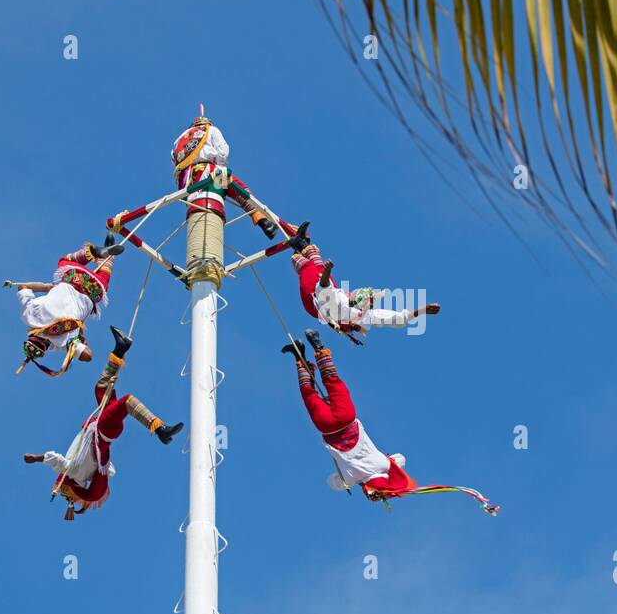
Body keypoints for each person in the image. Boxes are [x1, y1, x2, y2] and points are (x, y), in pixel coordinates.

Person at [24, 327, 183, 519]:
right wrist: (36, 458)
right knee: (127, 401)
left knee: (101, 388)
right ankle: (160, 429)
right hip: (102, 429)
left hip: (102, 426)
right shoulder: (73, 471)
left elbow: (109, 471)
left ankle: (120, 349)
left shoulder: (89, 474)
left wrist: (77, 494)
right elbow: (56, 460)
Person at [285, 329, 417, 501]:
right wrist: (355, 484)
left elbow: (401, 458)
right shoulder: (350, 478)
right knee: (309, 395)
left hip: (347, 418)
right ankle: (299, 356)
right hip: (327, 427)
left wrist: (392, 478)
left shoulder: (384, 464)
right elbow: (332, 482)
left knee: (333, 381)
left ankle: (318, 346)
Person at [286, 223, 440, 340]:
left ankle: (301, 245)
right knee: (314, 262)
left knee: (309, 265)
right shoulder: (365, 316)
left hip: (316, 296)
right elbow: (399, 319)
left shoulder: (345, 307)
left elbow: (324, 288)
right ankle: (301, 245)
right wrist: (423, 310)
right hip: (320, 297)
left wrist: (327, 270)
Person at [5, 236, 125, 377]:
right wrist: (48, 287)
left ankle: (108, 257)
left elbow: (88, 356)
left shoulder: (64, 341)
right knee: (64, 261)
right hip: (73, 276)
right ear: (31, 335)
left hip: (95, 290)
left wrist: (75, 346)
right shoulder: (29, 316)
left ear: (46, 348)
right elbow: (22, 287)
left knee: (103, 277)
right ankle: (94, 252)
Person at [172, 109, 280, 240]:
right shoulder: (211, 130)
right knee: (238, 188)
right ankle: (262, 221)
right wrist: (219, 165)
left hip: (186, 182)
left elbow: (175, 159)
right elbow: (222, 152)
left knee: (228, 186)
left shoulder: (179, 140)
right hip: (208, 172)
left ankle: (262, 220)